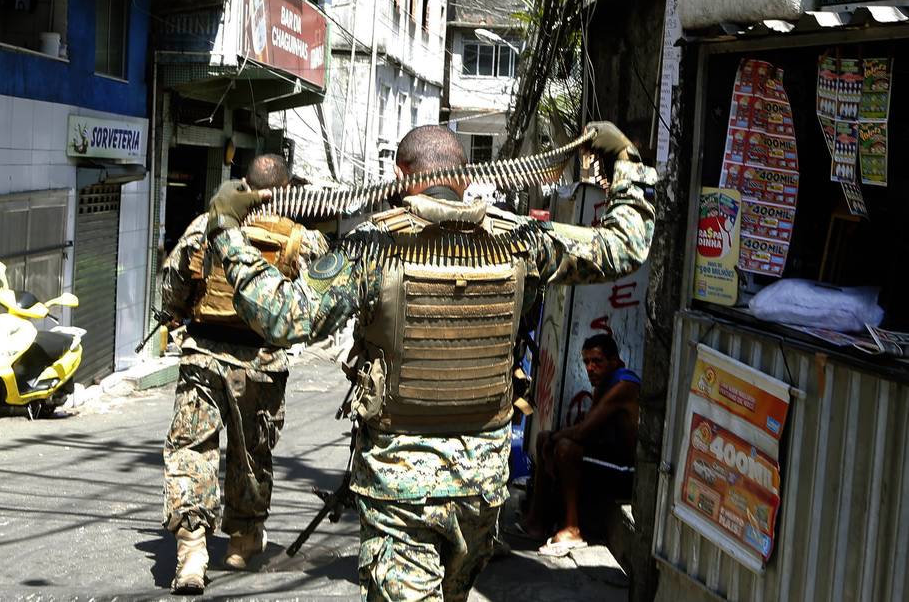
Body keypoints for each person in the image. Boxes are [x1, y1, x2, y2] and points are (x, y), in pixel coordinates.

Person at [203, 122, 656, 599]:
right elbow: (624, 247)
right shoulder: (521, 239)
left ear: (401, 174)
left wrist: (227, 230)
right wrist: (624, 161)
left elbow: (282, 316)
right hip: (480, 491)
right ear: (465, 175)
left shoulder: (372, 247)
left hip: (400, 494)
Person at [159, 154, 328, 594]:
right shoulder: (299, 239)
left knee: (192, 451)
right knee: (251, 456)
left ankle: (193, 551)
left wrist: (175, 315)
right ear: (286, 190)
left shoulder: (206, 226)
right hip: (261, 367)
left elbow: (173, 283)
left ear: (244, 185)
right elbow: (316, 308)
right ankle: (242, 539)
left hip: (203, 359)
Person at [524, 333, 641, 557]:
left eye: (597, 362)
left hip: (628, 470)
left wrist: (554, 440)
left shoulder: (623, 385)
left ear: (615, 362)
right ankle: (536, 521)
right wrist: (550, 441)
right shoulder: (604, 383)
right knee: (544, 439)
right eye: (586, 362)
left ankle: (572, 528)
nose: (590, 368)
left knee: (564, 448)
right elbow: (588, 431)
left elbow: (584, 431)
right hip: (610, 458)